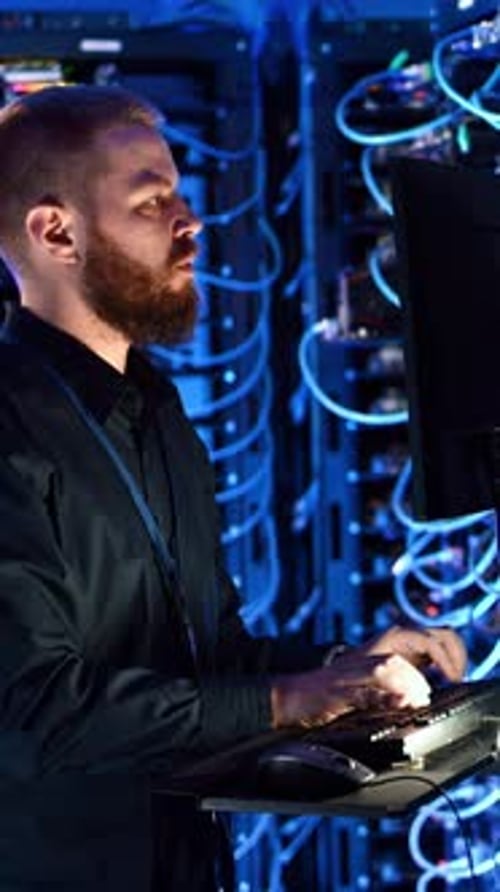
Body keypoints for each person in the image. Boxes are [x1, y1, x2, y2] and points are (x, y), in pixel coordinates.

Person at [0, 84, 466, 892]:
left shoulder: (158, 410)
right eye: (152, 204)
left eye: (179, 195)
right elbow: (35, 715)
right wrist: (291, 700)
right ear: (56, 233)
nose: (191, 223)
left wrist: (343, 669)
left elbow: (207, 658)